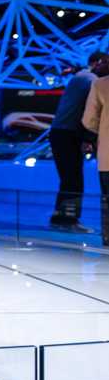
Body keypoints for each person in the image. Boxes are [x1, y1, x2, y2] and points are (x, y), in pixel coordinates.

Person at [49, 52, 107, 233]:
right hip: (67, 134)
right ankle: (67, 221)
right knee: (73, 181)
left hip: (62, 133)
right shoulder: (91, 80)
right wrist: (89, 138)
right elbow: (93, 111)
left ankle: (61, 219)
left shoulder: (82, 76)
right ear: (98, 62)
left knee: (70, 179)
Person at [80, 55, 109, 244]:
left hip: (108, 155)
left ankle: (108, 237)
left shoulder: (100, 85)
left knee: (107, 198)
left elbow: (89, 120)